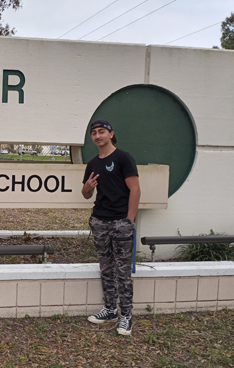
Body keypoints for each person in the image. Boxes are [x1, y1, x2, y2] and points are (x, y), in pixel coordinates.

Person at [81, 119, 141, 336]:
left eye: (102, 132)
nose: (98, 136)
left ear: (111, 134)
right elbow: (86, 194)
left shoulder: (124, 158)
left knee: (123, 271)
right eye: (94, 133)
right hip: (99, 221)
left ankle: (126, 315)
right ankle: (110, 309)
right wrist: (87, 188)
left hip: (120, 223)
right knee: (106, 268)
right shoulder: (93, 163)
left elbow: (135, 190)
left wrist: (129, 220)